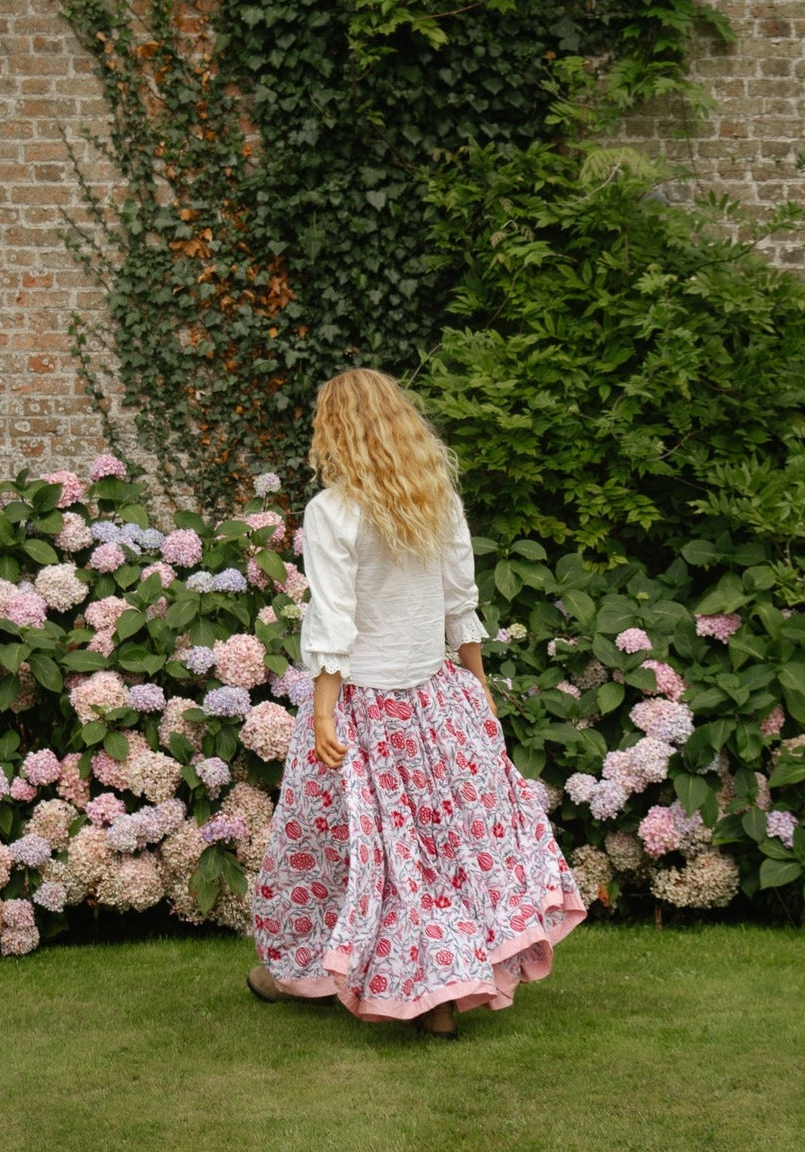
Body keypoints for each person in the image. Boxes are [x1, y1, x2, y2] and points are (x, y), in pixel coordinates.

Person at [248, 368, 586, 1037]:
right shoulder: (436, 499)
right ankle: (416, 990)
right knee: (432, 849)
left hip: (361, 709)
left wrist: (320, 712)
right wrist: (478, 683)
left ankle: (316, 971)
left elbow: (333, 621)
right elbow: (462, 603)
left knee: (332, 849)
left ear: (335, 432)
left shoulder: (332, 511)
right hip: (437, 700)